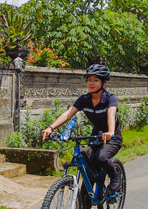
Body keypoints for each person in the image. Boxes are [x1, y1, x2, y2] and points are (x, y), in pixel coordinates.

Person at [41, 64, 123, 193]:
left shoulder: (109, 98)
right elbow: (68, 114)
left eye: (95, 80)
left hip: (112, 138)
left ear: (103, 82)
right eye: (89, 80)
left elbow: (111, 113)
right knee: (86, 161)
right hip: (95, 137)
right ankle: (84, 203)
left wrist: (111, 131)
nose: (91, 83)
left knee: (101, 158)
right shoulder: (84, 100)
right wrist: (50, 128)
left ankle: (115, 176)